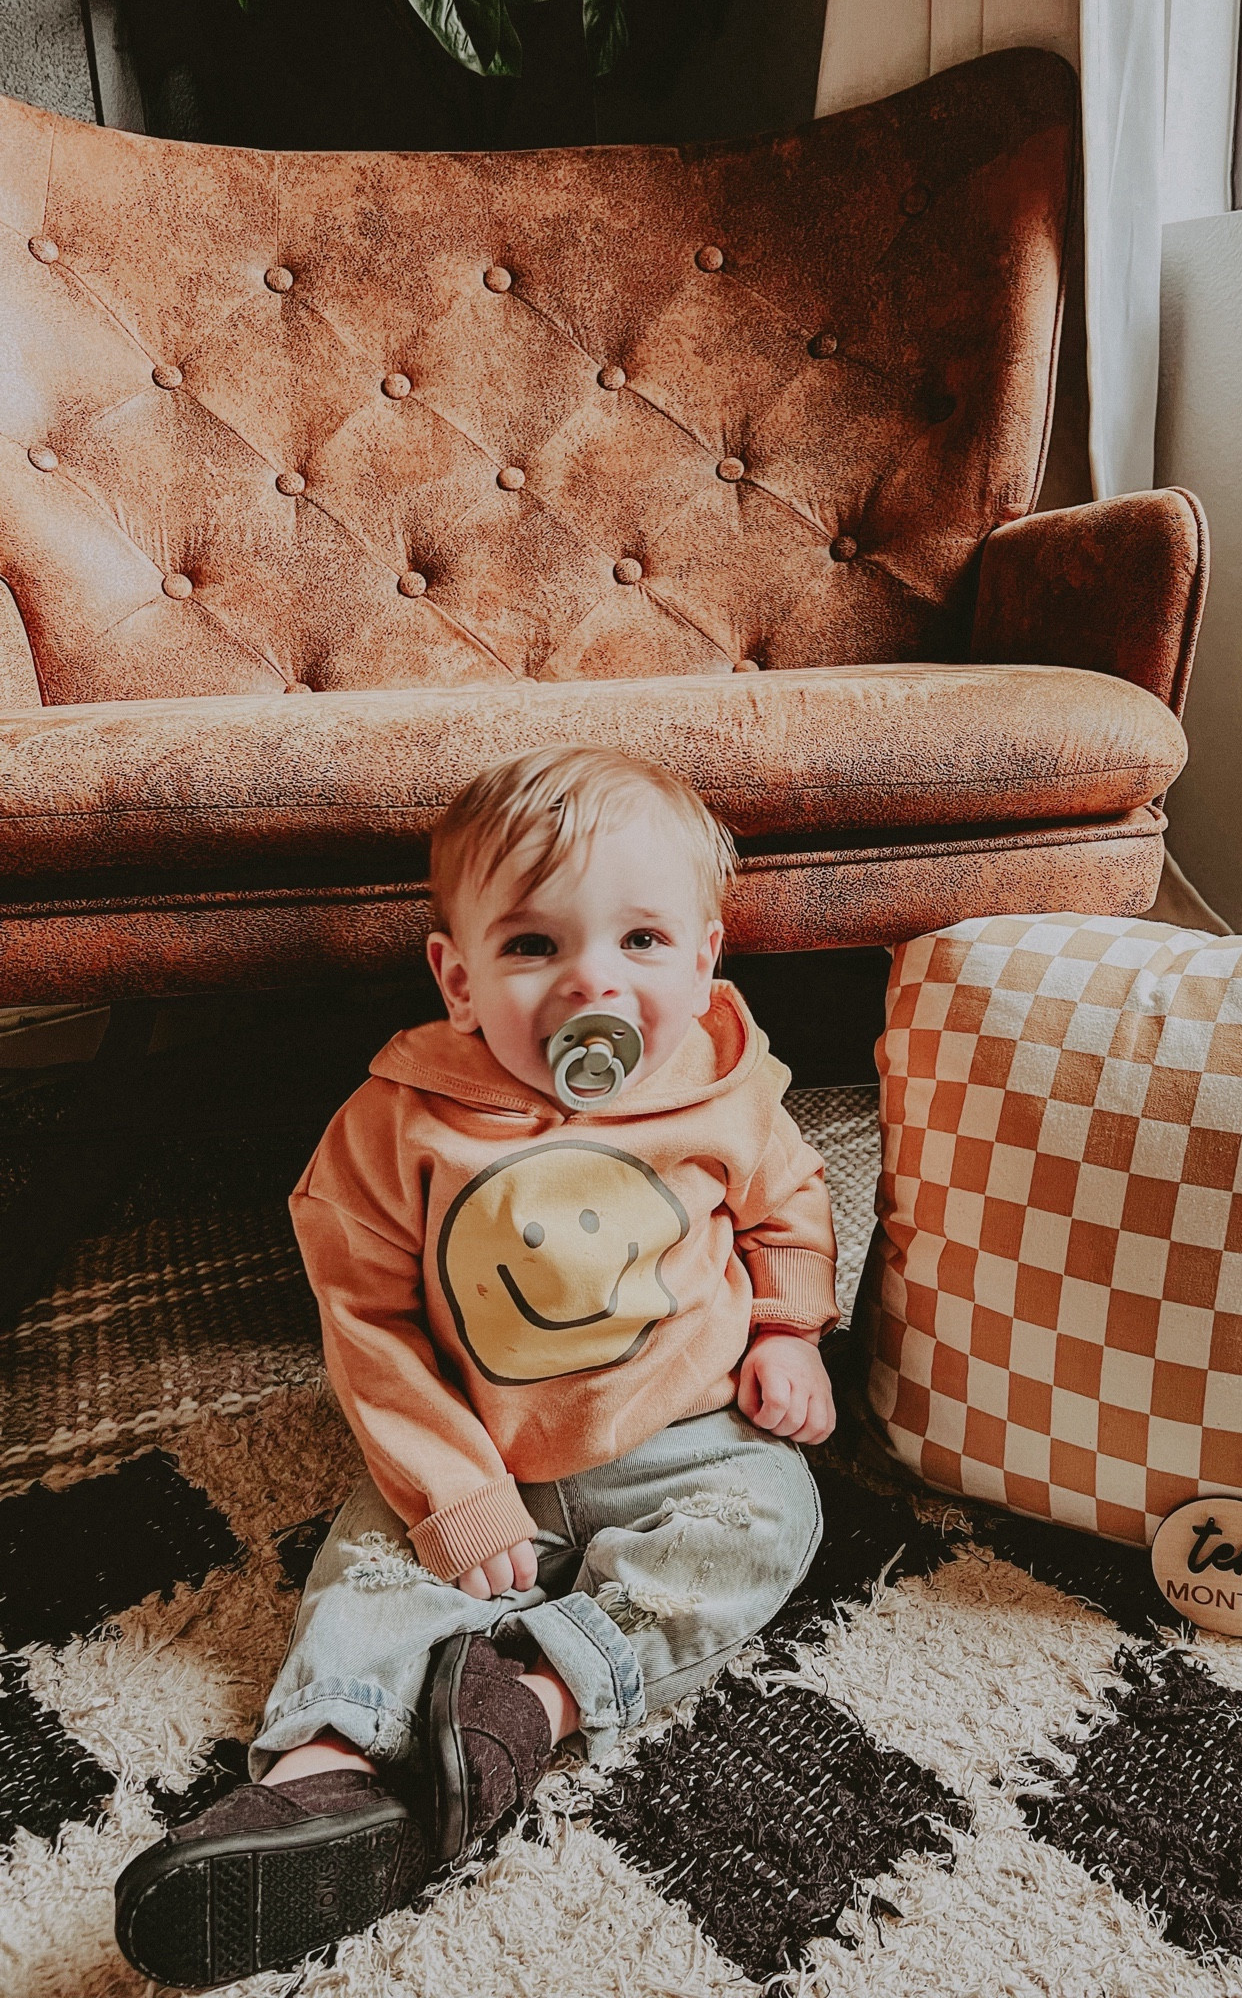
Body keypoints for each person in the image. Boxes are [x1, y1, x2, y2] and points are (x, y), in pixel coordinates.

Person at [115, 745, 839, 1989]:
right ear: (458, 976)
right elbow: (368, 1323)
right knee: (372, 1571)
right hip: (478, 1442)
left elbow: (792, 1203)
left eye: (643, 942)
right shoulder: (395, 1124)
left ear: (705, 955)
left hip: (681, 1437)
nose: (592, 981)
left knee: (772, 1517)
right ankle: (321, 1779)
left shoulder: (724, 1092)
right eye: (532, 947)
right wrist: (451, 1487)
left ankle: (527, 1700)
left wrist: (788, 1328)